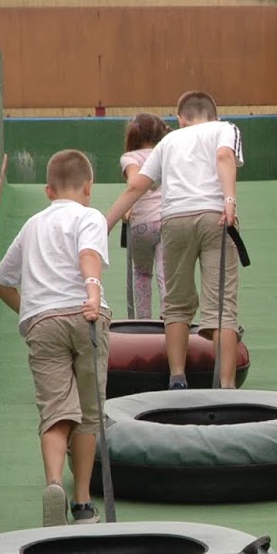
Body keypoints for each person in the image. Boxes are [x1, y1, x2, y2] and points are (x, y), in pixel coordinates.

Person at [0, 149, 110, 527]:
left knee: (56, 411)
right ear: (88, 187)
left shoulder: (32, 226)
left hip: (43, 321)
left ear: (48, 190)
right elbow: (88, 254)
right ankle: (83, 503)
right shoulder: (89, 216)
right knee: (89, 414)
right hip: (85, 315)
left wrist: (32, 309)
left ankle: (54, 483)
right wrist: (92, 293)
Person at [105, 89, 243, 388]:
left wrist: (105, 224)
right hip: (214, 216)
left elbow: (136, 187)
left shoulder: (168, 141)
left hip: (174, 219)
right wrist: (229, 200)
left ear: (181, 119)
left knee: (176, 304)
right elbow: (223, 156)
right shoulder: (225, 129)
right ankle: (227, 385)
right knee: (221, 305)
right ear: (215, 114)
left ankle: (177, 377)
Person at [120, 112, 170, 317]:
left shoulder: (129, 157)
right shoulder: (167, 152)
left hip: (142, 225)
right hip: (167, 220)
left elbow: (134, 181)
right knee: (166, 271)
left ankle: (143, 320)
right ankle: (170, 314)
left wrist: (128, 206)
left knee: (141, 273)